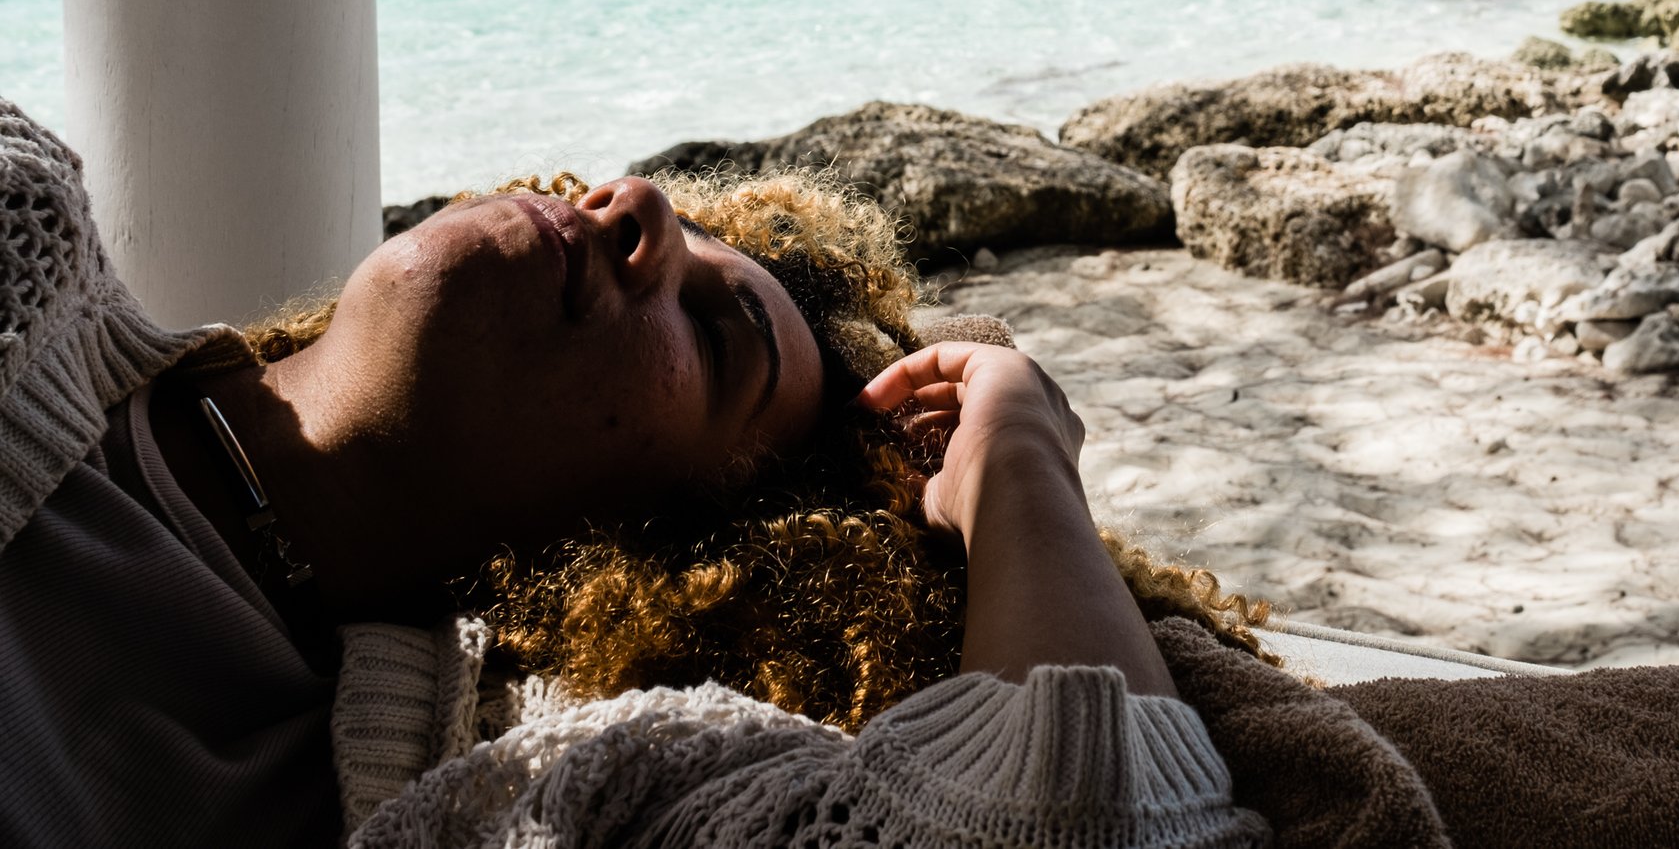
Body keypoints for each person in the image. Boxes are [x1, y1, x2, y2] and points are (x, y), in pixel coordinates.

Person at [0, 99, 1267, 846]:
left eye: (716, 335)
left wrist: (1022, 458)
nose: (638, 205)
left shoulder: (517, 780)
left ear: (661, 556)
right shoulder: (23, 229)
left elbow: (1079, 813)